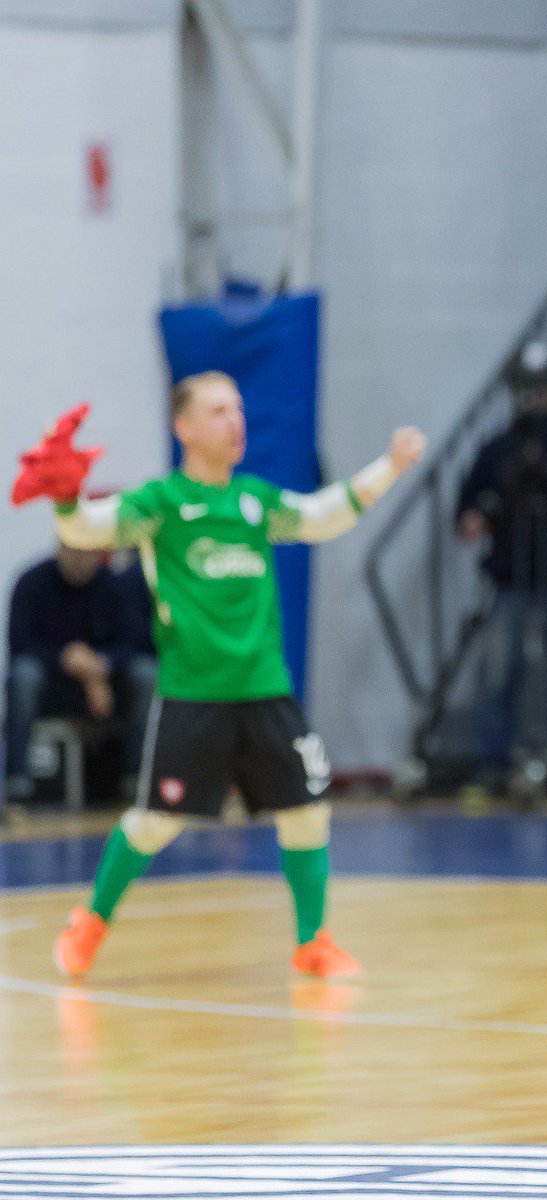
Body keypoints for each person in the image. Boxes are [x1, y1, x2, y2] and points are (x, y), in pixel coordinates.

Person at [13, 371, 425, 979]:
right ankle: (90, 923)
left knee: (307, 811)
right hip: (193, 696)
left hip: (265, 690)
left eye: (237, 409)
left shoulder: (254, 501)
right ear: (183, 427)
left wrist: (390, 465)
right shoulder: (160, 503)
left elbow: (323, 515)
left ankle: (312, 942)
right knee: (154, 825)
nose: (235, 422)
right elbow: (84, 530)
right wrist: (67, 499)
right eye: (217, 411)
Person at [456, 341, 547, 785]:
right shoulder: (498, 449)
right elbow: (466, 511)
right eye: (530, 390)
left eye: (546, 390)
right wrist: (477, 516)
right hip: (509, 580)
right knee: (497, 673)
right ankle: (492, 764)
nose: (538, 399)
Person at [5, 540, 156, 807]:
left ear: (99, 554)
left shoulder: (114, 585)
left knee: (146, 673)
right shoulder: (31, 581)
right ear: (59, 548)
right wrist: (67, 659)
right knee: (23, 675)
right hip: (53, 685)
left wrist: (99, 666)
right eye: (73, 551)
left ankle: (137, 779)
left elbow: (135, 641)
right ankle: (17, 783)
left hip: (107, 687)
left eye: (86, 553)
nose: (79, 560)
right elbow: (21, 643)